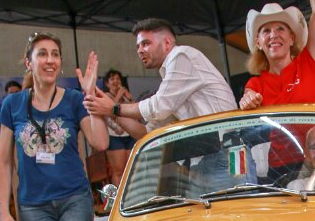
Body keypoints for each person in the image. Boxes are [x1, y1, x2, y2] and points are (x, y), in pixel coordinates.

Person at [0, 32, 109, 221]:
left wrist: (90, 95)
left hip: (74, 200)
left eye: (55, 54)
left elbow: (100, 142)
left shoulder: (73, 99)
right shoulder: (12, 104)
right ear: (29, 62)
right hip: (34, 207)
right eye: (43, 54)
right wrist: (4, 211)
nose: (50, 60)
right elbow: (4, 161)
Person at [240, 0, 315, 180]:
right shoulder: (256, 84)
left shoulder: (309, 62)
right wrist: (247, 100)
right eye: (266, 30)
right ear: (258, 42)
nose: (273, 35)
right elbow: (247, 98)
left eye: (280, 28)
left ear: (292, 38)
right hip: (278, 171)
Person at [83, 18, 236, 136]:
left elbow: (159, 106)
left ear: (167, 43)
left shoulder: (181, 55)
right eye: (137, 46)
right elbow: (147, 132)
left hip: (226, 148)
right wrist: (111, 111)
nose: (139, 51)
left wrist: (115, 108)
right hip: (212, 153)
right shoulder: (171, 82)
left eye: (145, 44)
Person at [101, 68, 136, 186]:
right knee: (118, 170)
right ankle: (118, 195)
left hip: (129, 134)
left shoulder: (125, 96)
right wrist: (118, 96)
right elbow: (109, 111)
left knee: (131, 168)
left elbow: (137, 113)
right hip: (114, 136)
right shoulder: (105, 96)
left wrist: (129, 98)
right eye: (112, 79)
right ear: (107, 83)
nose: (116, 81)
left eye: (118, 79)